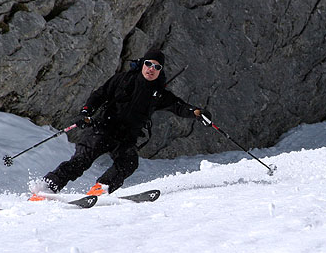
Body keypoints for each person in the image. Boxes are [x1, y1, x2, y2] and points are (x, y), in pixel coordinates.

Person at [30, 49, 210, 199]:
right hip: (104, 129)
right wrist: (86, 112)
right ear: (142, 64)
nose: (151, 69)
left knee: (129, 163)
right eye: (148, 64)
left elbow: (179, 107)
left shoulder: (159, 93)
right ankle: (47, 187)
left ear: (160, 71)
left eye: (156, 67)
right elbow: (99, 95)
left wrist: (198, 113)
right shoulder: (123, 79)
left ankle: (100, 189)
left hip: (126, 138)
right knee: (81, 161)